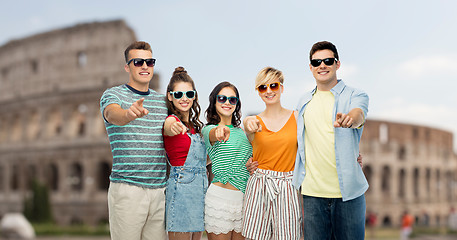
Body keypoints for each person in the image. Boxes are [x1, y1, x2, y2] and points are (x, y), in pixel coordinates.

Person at [292, 41, 369, 240]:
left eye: (327, 61)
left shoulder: (356, 94)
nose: (322, 66)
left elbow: (358, 114)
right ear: (310, 67)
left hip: (348, 194)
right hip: (312, 194)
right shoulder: (303, 101)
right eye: (316, 62)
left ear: (337, 64)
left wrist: (350, 120)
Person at [100, 41, 167, 240]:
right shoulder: (113, 94)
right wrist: (129, 114)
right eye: (138, 62)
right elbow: (112, 114)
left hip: (160, 192)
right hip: (128, 190)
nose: (145, 66)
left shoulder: (164, 102)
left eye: (149, 62)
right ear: (127, 67)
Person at [242, 67, 301, 240]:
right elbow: (247, 130)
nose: (268, 91)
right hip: (260, 185)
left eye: (273, 86)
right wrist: (247, 121)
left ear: (281, 88)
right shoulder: (253, 122)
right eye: (262, 87)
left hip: (287, 185)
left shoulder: (297, 117)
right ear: (258, 92)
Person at [202, 81, 252, 240]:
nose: (227, 103)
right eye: (222, 98)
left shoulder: (243, 133)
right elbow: (215, 133)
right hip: (219, 200)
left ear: (237, 104)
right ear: (214, 101)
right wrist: (219, 131)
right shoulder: (208, 129)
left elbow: (247, 161)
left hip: (244, 201)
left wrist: (251, 165)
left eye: (232, 99)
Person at [163, 67, 208, 240]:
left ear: (194, 96)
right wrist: (171, 126)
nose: (184, 99)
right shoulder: (171, 120)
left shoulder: (197, 128)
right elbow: (168, 126)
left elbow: (202, 161)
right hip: (181, 189)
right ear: (170, 96)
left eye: (189, 94)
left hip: (201, 189)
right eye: (178, 94)